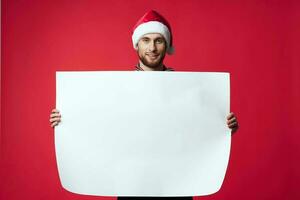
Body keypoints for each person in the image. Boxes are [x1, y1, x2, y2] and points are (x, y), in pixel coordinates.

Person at [50, 10, 239, 200]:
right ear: (137, 45)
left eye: (159, 40)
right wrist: (67, 119)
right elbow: (99, 122)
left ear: (166, 45)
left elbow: (198, 129)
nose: (152, 47)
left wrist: (223, 127)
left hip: (177, 181)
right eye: (146, 40)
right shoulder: (116, 89)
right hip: (132, 182)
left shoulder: (188, 90)